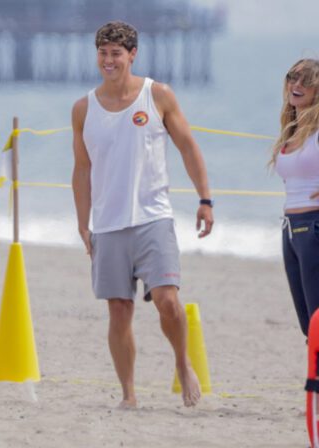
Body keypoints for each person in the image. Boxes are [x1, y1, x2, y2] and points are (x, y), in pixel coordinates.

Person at [71, 21, 213, 408]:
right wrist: (83, 223)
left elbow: (188, 147)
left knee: (168, 301)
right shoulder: (83, 108)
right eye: (103, 53)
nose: (109, 60)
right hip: (108, 223)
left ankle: (182, 362)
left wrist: (205, 199)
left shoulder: (157, 95)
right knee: (119, 311)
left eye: (116, 53)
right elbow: (81, 169)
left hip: (154, 217)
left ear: (132, 55)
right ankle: (129, 395)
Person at [270, 58, 319, 338]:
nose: (296, 84)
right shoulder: (292, 130)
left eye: (307, 81)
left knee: (317, 319)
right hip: (290, 229)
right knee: (308, 323)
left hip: (314, 226)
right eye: (292, 77)